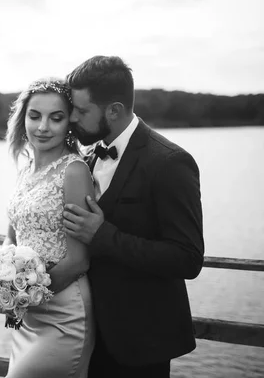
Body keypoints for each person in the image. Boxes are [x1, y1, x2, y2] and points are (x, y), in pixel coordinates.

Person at [62, 56, 204, 378]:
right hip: (86, 336)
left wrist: (102, 236)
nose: (72, 118)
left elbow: (188, 258)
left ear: (113, 110)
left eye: (82, 111)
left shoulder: (170, 163)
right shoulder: (85, 159)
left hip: (142, 344)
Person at [3, 77, 96, 378]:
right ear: (23, 118)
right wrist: (1, 279)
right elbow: (11, 237)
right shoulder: (24, 170)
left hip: (64, 313)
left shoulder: (74, 171)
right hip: (26, 313)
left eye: (55, 118)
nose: (43, 127)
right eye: (35, 116)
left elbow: (80, 259)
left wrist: (25, 297)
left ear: (69, 122)